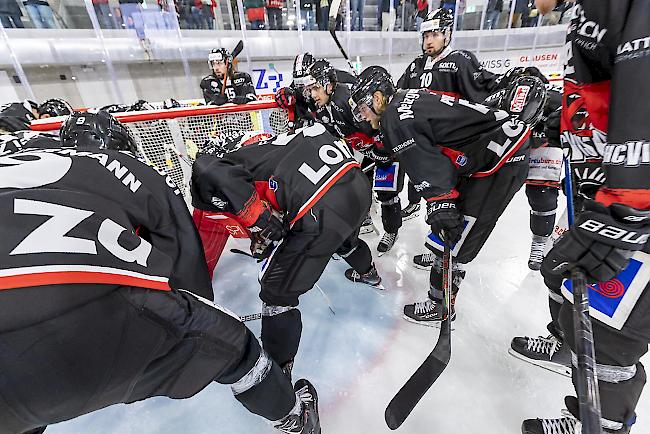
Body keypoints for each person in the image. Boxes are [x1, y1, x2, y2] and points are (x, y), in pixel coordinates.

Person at [0, 110, 321, 434]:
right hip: (90, 311)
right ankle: (296, 419)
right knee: (239, 350)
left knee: (20, 416)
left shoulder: (17, 150)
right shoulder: (119, 167)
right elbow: (187, 276)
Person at [510, 1, 650, 433]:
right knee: (566, 275)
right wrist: (562, 118)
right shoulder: (586, 8)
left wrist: (626, 208)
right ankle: (565, 345)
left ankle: (605, 424)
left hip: (632, 204)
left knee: (612, 329)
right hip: (608, 195)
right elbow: (603, 95)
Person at [350, 66, 547, 326]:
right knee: (448, 228)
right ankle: (441, 268)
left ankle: (440, 306)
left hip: (500, 163)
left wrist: (440, 202)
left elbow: (426, 163)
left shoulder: (394, 118)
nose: (363, 117)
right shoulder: (404, 99)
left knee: (455, 240)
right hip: (489, 155)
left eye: (363, 109)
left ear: (377, 98)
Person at [191, 122, 377, 383]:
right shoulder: (279, 145)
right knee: (344, 240)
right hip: (356, 185)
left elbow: (207, 170)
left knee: (276, 292)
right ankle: (369, 273)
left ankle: (276, 374)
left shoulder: (229, 162)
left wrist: (261, 220)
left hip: (320, 209)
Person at [396, 7, 549, 269]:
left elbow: (487, 88)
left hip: (458, 149)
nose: (428, 40)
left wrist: (518, 75)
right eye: (425, 35)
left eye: (434, 34)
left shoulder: (460, 61)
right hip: (431, 150)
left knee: (454, 204)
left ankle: (445, 254)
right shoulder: (415, 67)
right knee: (436, 203)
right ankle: (438, 249)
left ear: (447, 34)